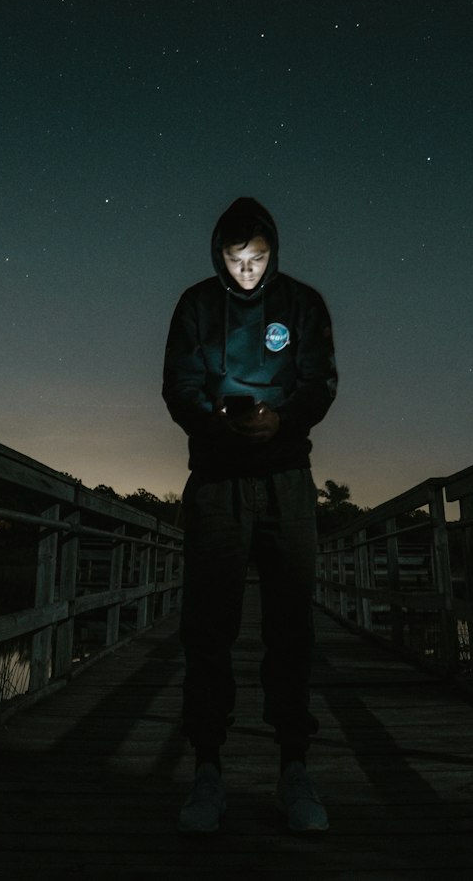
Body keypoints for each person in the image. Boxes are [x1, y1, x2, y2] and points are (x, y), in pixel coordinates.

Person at [163, 195, 338, 834]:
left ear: (273, 253)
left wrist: (281, 420)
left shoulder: (303, 304)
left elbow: (319, 382)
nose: (247, 271)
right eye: (236, 259)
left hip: (287, 480)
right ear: (219, 254)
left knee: (291, 628)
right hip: (216, 483)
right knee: (209, 629)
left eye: (257, 258)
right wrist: (218, 424)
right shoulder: (195, 306)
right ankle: (207, 771)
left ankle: (293, 767)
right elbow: (178, 385)